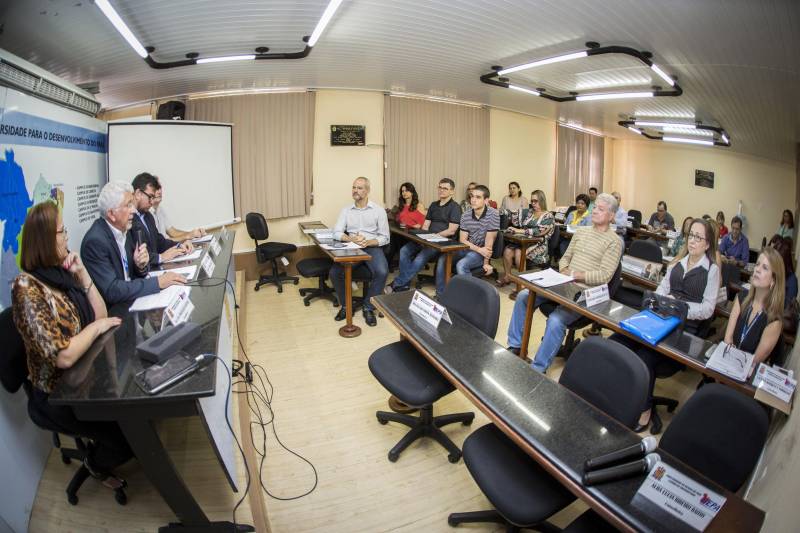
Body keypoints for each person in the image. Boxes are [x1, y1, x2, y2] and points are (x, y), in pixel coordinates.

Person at [12, 201, 133, 491]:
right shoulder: (26, 288)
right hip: (57, 394)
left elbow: (101, 316)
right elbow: (63, 356)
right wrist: (93, 328)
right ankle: (96, 465)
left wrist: (84, 277)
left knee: (132, 419)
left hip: (86, 375)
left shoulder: (62, 275)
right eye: (62, 231)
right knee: (126, 441)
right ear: (45, 240)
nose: (67, 236)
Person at [611, 218, 721, 430]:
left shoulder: (712, 271)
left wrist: (679, 307)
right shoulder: (676, 264)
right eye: (691, 235)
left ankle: (644, 410)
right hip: (660, 319)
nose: (692, 241)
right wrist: (664, 301)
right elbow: (661, 289)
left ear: (707, 244)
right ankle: (623, 394)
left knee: (645, 356)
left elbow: (707, 309)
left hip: (684, 329)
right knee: (619, 340)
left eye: (699, 237)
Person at [507, 193, 622, 372]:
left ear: (612, 216)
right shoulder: (581, 232)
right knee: (523, 296)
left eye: (601, 209)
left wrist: (575, 274)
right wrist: (563, 271)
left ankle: (538, 369)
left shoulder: (615, 242)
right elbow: (564, 257)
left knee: (556, 319)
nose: (595, 211)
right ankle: (515, 345)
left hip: (585, 292)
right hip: (564, 282)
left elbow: (605, 276)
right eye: (595, 207)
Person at [81, 182, 186, 306]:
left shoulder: (125, 229)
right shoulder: (95, 242)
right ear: (111, 214)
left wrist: (140, 265)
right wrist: (157, 283)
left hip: (133, 301)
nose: (133, 210)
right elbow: (112, 290)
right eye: (128, 205)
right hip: (116, 311)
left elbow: (136, 273)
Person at [330, 177, 390, 327]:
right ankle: (346, 306)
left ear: (367, 190)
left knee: (382, 271)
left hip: (372, 247)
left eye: (360, 188)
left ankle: (368, 307)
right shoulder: (346, 210)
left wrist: (368, 242)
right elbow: (336, 232)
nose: (355, 190)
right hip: (352, 246)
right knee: (335, 273)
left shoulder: (378, 210)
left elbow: (385, 237)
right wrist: (350, 238)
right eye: (354, 187)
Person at [386, 178, 461, 293]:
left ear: (452, 191)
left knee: (419, 258)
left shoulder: (455, 207)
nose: (441, 190)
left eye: (445, 188)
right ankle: (404, 284)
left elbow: (451, 231)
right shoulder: (434, 205)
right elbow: (426, 225)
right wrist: (423, 236)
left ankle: (397, 283)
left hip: (442, 242)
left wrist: (434, 236)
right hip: (427, 238)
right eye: (440, 187)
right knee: (404, 250)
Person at [723, 247, 785, 369]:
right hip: (726, 364)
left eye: (765, 268)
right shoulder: (741, 298)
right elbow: (728, 338)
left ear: (774, 280)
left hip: (746, 378)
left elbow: (753, 362)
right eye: (757, 264)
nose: (757, 270)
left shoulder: (774, 321)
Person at [435, 184, 499, 297]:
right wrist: (479, 249)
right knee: (442, 259)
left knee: (461, 265)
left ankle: (470, 298)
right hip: (469, 248)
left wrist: (486, 263)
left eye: (478, 197)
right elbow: (463, 240)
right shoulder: (465, 215)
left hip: (481, 252)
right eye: (472, 196)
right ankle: (441, 295)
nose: (473, 200)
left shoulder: (493, 214)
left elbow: (489, 243)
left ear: (486, 200)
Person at [131, 172, 193, 268]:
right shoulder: (128, 219)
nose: (152, 202)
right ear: (138, 194)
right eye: (150, 197)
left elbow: (160, 242)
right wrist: (161, 257)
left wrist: (179, 245)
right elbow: (135, 255)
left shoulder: (148, 216)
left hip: (157, 269)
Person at [498, 189, 554, 286]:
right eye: (532, 201)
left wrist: (520, 231)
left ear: (542, 200)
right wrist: (501, 212)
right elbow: (512, 213)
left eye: (535, 201)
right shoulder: (529, 212)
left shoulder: (548, 216)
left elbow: (539, 232)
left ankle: (522, 284)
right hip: (523, 242)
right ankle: (508, 276)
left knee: (520, 252)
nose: (533, 203)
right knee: (507, 250)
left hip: (538, 244)